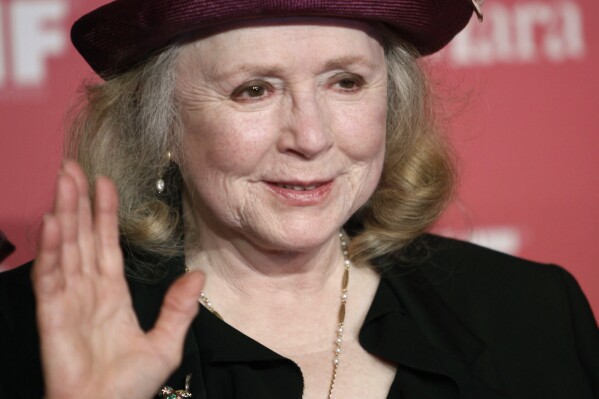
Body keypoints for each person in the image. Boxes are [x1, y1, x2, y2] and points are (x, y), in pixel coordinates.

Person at [0, 0, 598, 398]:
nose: (310, 137)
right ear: (161, 132)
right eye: (253, 90)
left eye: (346, 82)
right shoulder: (22, 335)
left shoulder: (535, 313)